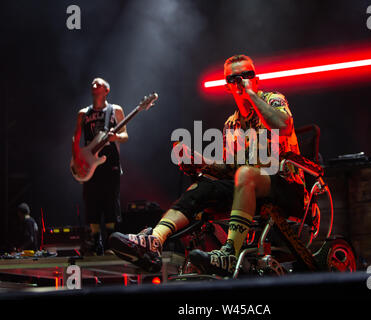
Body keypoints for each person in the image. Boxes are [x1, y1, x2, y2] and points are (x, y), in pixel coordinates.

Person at [109, 55, 306, 276]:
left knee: (246, 174)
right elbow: (227, 170)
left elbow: (283, 125)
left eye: (246, 76)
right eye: (234, 78)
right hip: (249, 185)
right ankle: (155, 240)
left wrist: (250, 95)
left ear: (256, 79)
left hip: (285, 185)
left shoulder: (273, 99)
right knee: (204, 185)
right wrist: (200, 162)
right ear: (227, 86)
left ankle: (229, 254)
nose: (240, 81)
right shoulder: (231, 124)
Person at [72, 77, 128, 255]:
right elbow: (76, 137)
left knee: (111, 201)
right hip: (89, 164)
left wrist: (115, 137)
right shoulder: (84, 113)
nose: (94, 85)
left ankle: (111, 242)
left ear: (106, 90)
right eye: (92, 84)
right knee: (91, 201)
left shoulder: (115, 110)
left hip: (109, 162)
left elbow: (125, 135)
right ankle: (96, 241)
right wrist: (77, 159)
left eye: (99, 84)